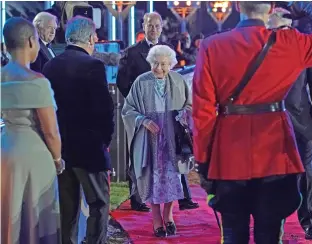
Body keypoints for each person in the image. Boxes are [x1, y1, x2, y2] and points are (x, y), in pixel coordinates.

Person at [192, 1, 312, 243]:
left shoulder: (212, 45)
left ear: (238, 5)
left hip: (229, 152)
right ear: (272, 7)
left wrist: (203, 161)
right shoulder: (291, 43)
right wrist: (309, 8)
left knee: (232, 233)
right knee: (270, 234)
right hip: (275, 151)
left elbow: (202, 114)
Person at [42, 16, 115, 244]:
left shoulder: (50, 65)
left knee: (67, 207)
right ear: (92, 39)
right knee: (99, 203)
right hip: (90, 148)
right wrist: (105, 139)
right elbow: (104, 109)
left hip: (61, 147)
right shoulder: (93, 65)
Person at [117, 11, 199, 212]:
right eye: (149, 25)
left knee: (173, 154)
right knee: (140, 156)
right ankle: (138, 198)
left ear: (161, 28)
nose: (153, 29)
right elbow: (122, 82)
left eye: (157, 26)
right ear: (143, 27)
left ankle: (182, 196)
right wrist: (140, 102)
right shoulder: (132, 52)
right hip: (143, 111)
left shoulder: (168, 51)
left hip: (168, 113)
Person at [1, 17, 63, 244]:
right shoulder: (37, 82)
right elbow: (51, 132)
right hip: (34, 156)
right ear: (30, 42)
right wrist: (57, 160)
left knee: (8, 215)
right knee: (36, 218)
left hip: (5, 151)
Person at [268, 8, 312, 240]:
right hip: (270, 125)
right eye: (272, 27)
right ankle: (274, 224)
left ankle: (309, 222)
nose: (274, 31)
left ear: (289, 27)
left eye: (278, 27)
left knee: (305, 173)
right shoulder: (262, 51)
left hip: (301, 123)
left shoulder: (305, 50)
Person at [122, 45, 191, 237]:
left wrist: (185, 114)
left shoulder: (178, 80)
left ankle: (168, 215)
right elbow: (127, 110)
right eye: (155, 63)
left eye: (163, 64)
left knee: (172, 176)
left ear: (171, 64)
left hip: (172, 136)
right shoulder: (141, 82)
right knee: (152, 176)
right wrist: (143, 121)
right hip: (149, 138)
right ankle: (156, 219)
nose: (159, 68)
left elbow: (190, 104)